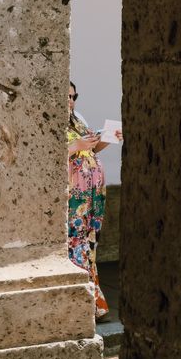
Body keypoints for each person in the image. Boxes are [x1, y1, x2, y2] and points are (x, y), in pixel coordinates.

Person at [67, 81, 108, 318]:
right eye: (66, 97)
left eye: (74, 96)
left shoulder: (77, 118)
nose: (71, 101)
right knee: (75, 243)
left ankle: (93, 303)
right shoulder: (46, 119)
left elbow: (90, 152)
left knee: (89, 244)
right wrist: (77, 145)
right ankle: (80, 304)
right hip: (73, 198)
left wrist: (104, 140)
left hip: (91, 198)